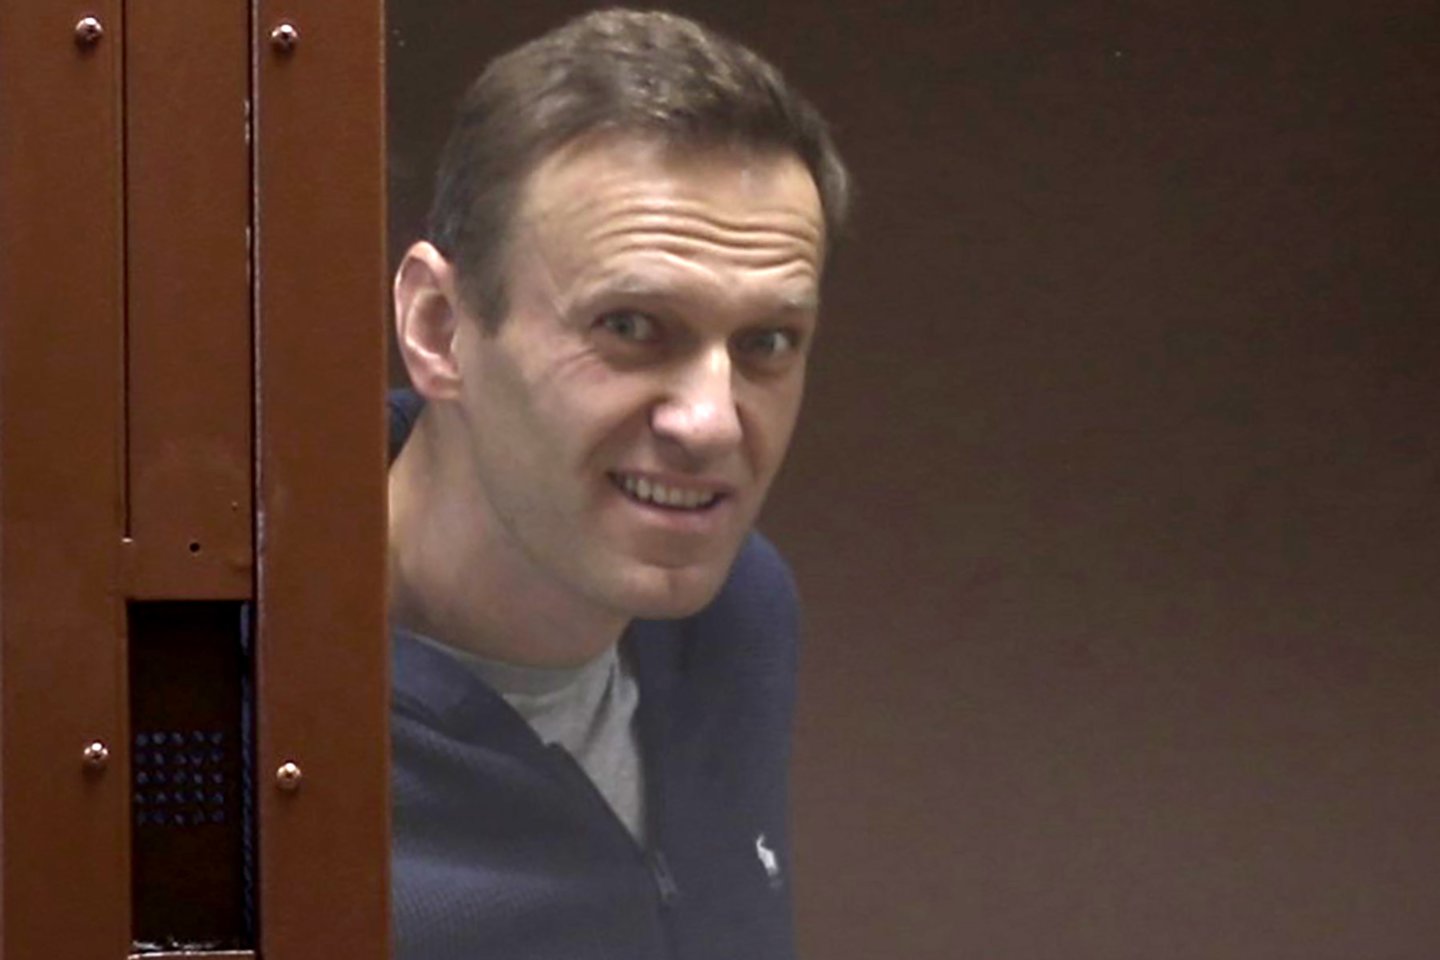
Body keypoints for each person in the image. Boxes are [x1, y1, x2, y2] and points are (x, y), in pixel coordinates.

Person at [385, 10, 850, 959]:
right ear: (439, 328)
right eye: (632, 327)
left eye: (767, 342)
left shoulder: (736, 613)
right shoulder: (236, 702)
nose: (712, 423)